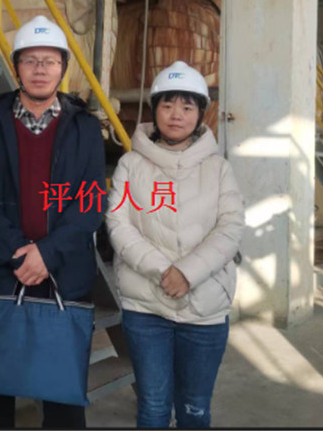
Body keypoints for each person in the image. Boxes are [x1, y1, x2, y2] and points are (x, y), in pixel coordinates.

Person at [0, 15, 105, 429]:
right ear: (16, 67)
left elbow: (91, 201)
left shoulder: (85, 129)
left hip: (63, 276)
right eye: (30, 60)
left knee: (62, 400)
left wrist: (47, 254)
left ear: (63, 68)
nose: (40, 69)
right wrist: (18, 254)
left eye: (50, 61)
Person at [105, 60, 244, 428]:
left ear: (200, 114)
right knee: (152, 407)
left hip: (205, 309)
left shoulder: (218, 168)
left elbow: (230, 226)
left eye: (187, 106)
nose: (176, 115)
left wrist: (188, 272)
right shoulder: (131, 165)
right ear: (155, 111)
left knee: (195, 409)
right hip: (146, 309)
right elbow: (118, 224)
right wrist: (163, 271)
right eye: (167, 105)